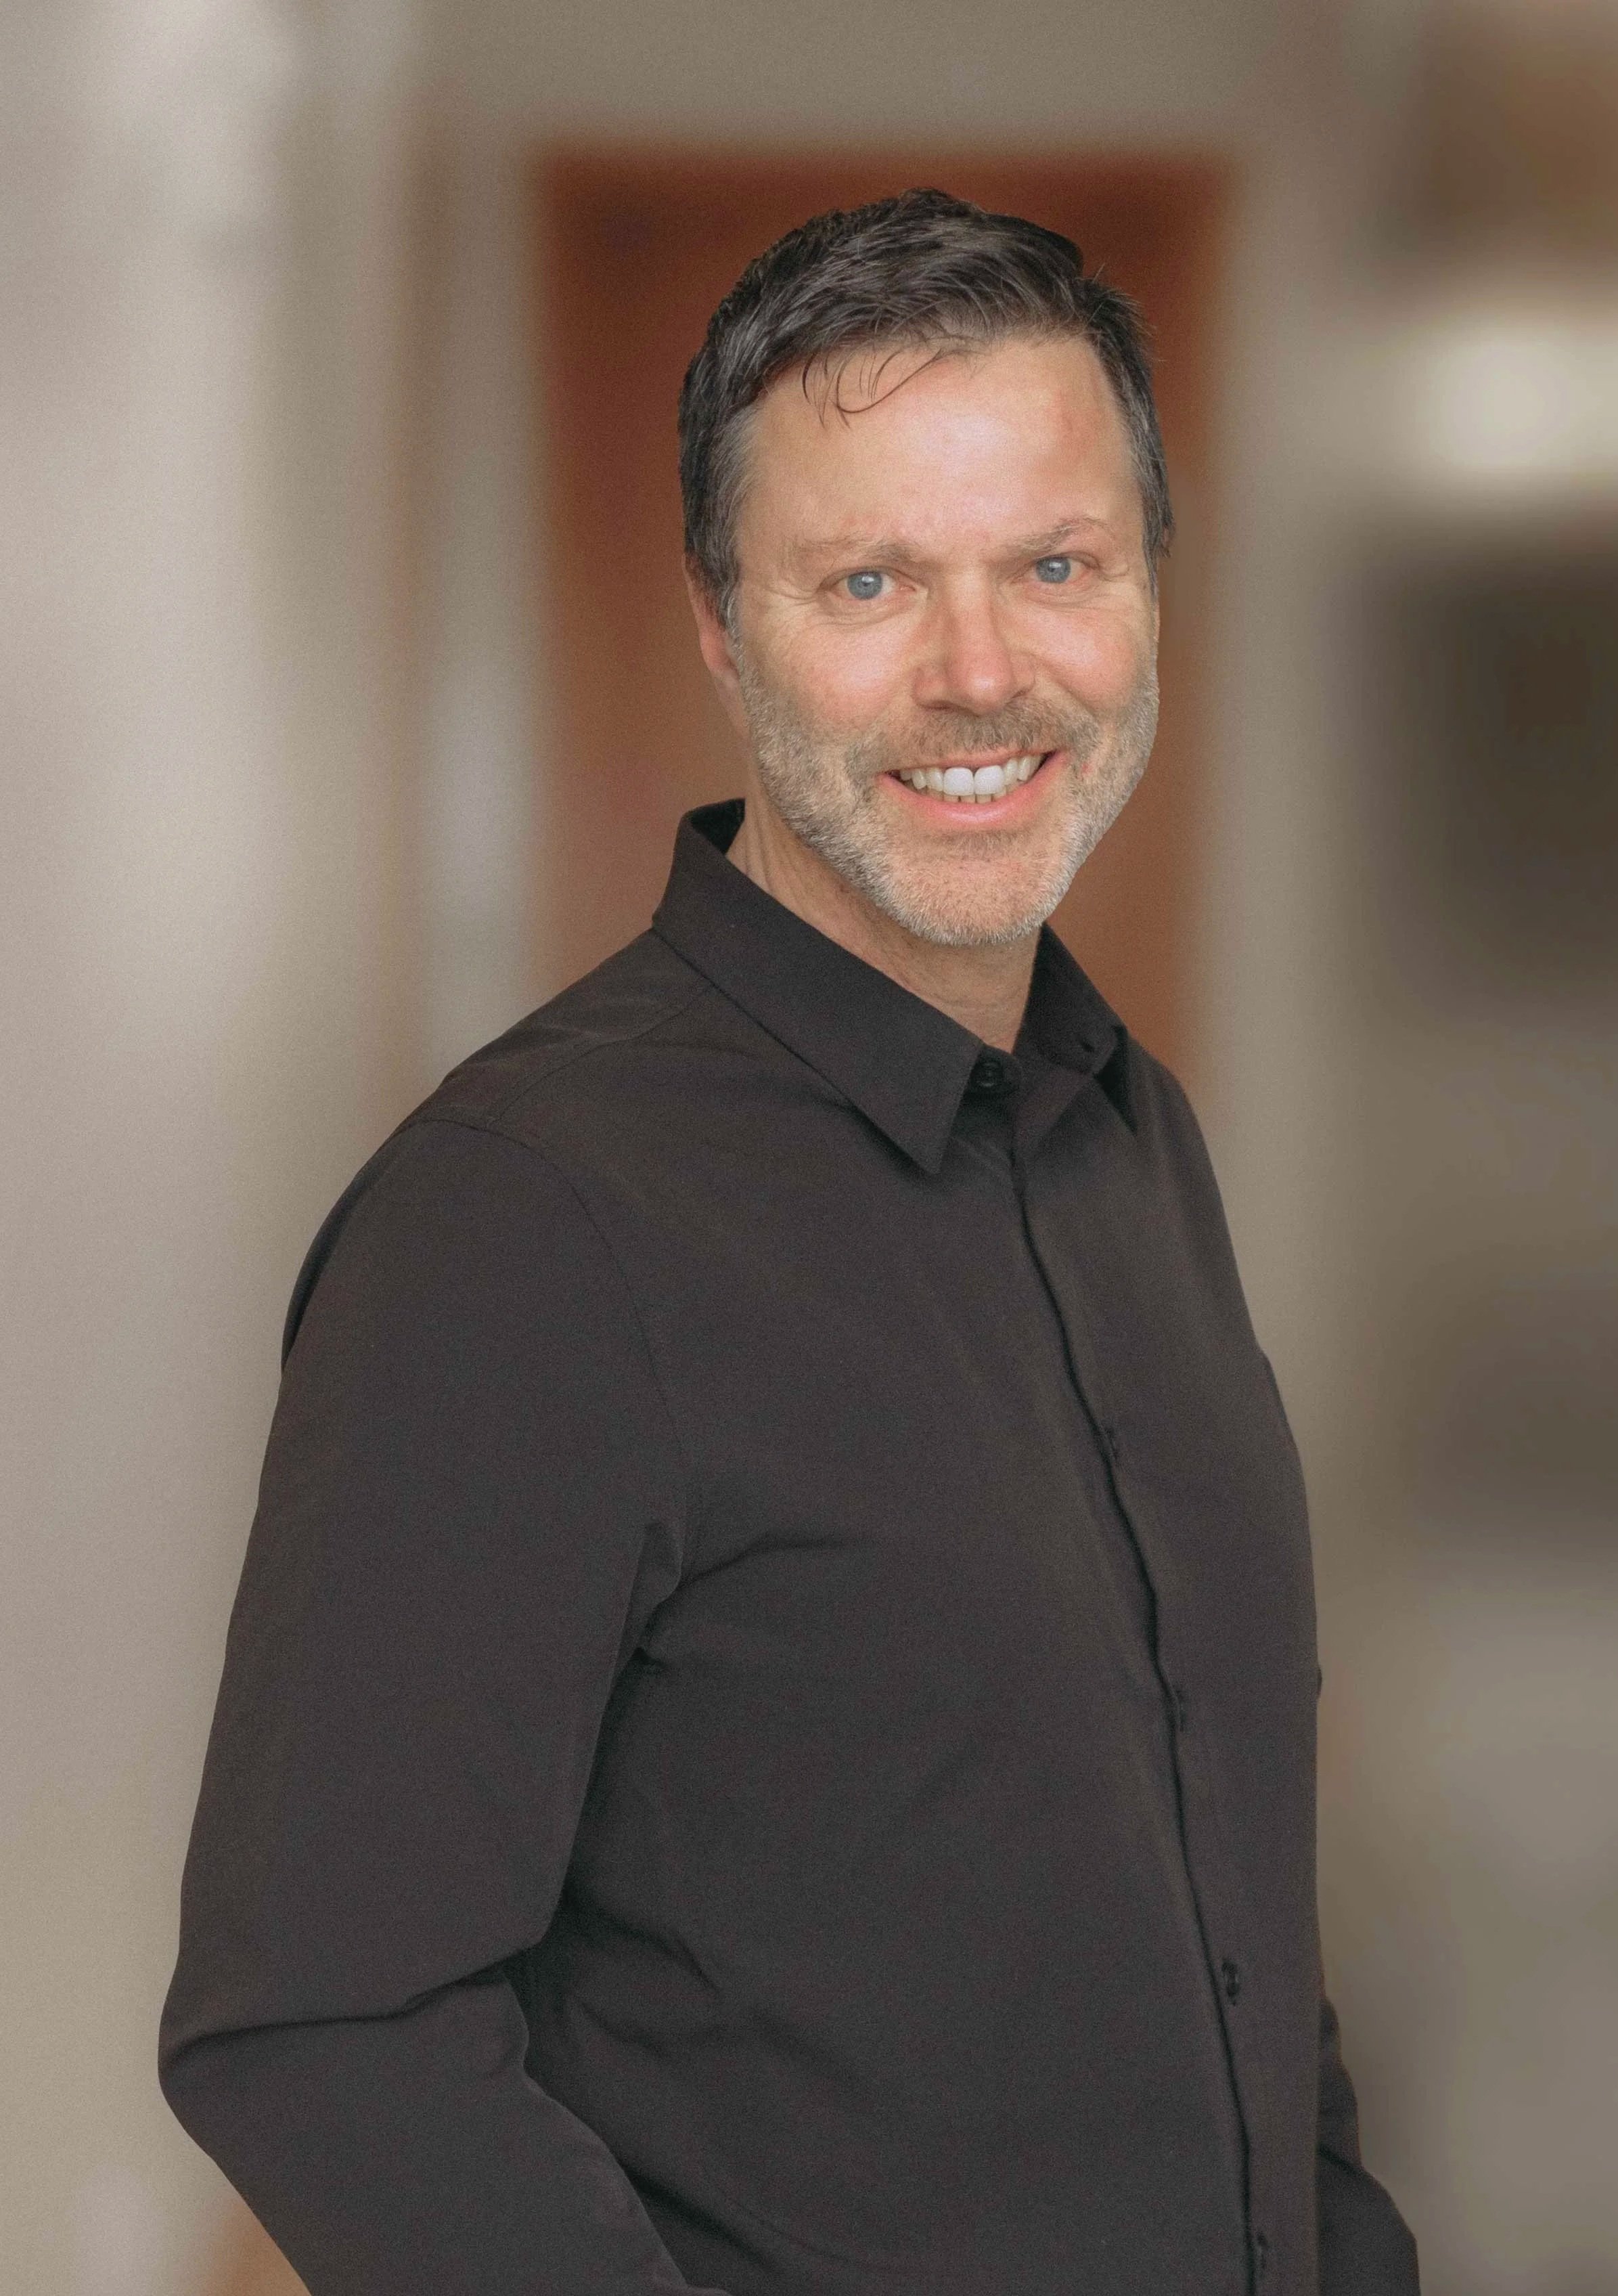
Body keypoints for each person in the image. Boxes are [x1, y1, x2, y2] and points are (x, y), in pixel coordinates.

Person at [160, 189, 1418, 2296]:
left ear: (1150, 595)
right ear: (724, 630)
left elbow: (1214, 1900)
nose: (981, 670)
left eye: (1053, 564)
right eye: (866, 580)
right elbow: (322, 2030)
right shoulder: (524, 1223)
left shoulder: (1134, 1144)